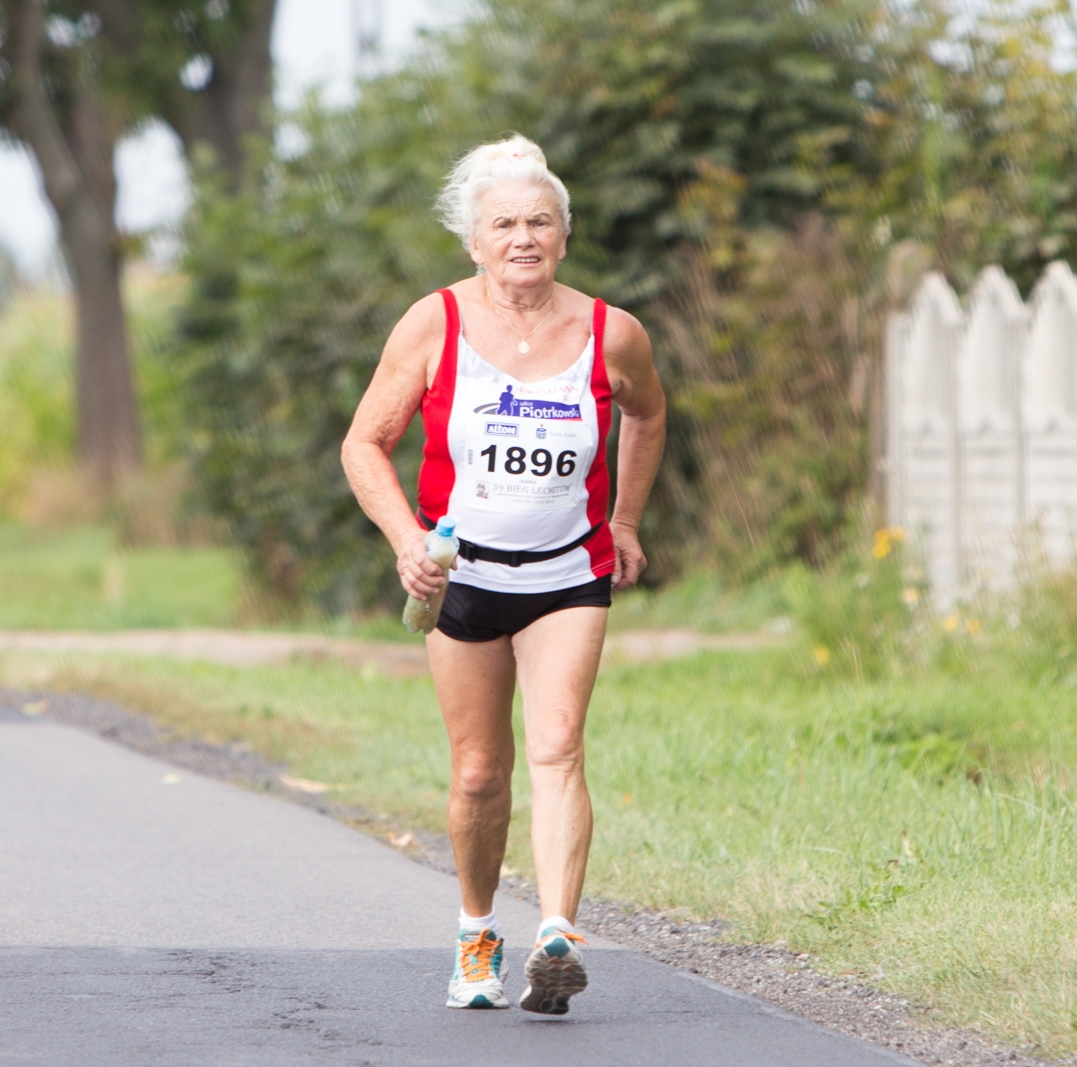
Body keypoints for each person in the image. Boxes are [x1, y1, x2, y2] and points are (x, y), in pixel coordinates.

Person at [342, 135, 667, 1014]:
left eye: (540, 221)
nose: (523, 237)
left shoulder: (611, 332)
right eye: (504, 224)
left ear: (563, 236)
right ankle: (477, 931)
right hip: (462, 580)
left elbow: (648, 411)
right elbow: (364, 442)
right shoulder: (434, 323)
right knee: (481, 772)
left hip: (570, 572)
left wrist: (625, 517)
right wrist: (406, 536)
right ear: (474, 242)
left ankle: (557, 932)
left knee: (559, 745)